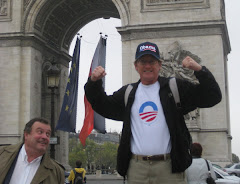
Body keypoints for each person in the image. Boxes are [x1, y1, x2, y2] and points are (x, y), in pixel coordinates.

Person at [84, 41, 222, 184]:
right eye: (143, 61)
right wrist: (94, 83)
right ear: (136, 66)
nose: (148, 66)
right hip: (137, 169)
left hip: (170, 168)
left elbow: (212, 96)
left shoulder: (175, 88)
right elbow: (102, 105)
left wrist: (199, 70)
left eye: (152, 61)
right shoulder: (128, 93)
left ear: (160, 65)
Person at [0, 117, 65, 184]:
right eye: (40, 132)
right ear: (26, 135)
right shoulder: (2, 154)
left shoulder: (57, 171)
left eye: (47, 134)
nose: (45, 137)